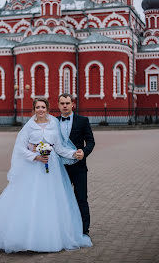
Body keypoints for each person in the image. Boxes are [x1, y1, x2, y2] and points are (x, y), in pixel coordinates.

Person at [0, 98, 92, 253]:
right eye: (37, 107)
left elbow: (59, 148)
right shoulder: (29, 127)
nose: (40, 110)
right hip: (33, 167)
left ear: (48, 108)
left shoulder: (53, 125)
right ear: (34, 109)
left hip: (52, 169)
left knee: (50, 200)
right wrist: (35, 156)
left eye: (43, 107)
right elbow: (19, 148)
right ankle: (25, 236)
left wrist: (74, 153)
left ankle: (50, 234)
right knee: (30, 199)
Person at [57, 94, 95, 236]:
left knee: (81, 198)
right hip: (60, 168)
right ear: (58, 105)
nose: (65, 106)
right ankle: (64, 228)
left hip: (79, 167)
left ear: (73, 104)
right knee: (62, 198)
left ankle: (84, 230)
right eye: (62, 103)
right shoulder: (53, 122)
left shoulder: (83, 121)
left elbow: (91, 141)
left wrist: (84, 152)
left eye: (67, 103)